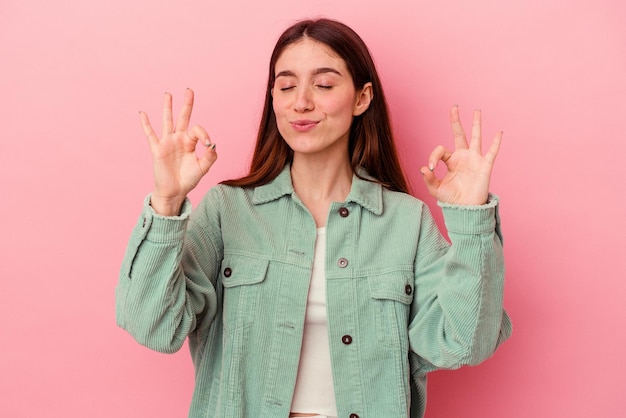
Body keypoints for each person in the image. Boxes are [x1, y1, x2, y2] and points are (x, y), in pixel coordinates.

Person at [116, 18, 512, 418]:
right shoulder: (226, 210)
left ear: (362, 98)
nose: (301, 102)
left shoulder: (406, 223)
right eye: (286, 86)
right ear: (273, 98)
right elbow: (154, 328)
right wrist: (166, 203)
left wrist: (471, 220)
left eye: (323, 85)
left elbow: (465, 343)